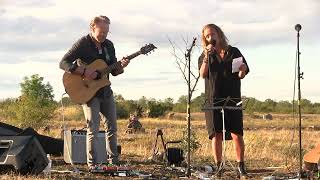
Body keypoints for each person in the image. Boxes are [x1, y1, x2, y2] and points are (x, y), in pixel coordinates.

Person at [59, 15, 130, 171]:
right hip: (88, 92)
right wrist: (84, 71)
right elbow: (63, 63)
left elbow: (114, 70)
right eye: (101, 31)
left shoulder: (109, 45)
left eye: (107, 31)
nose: (104, 34)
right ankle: (93, 164)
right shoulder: (83, 43)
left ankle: (113, 162)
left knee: (112, 128)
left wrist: (122, 66)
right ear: (92, 28)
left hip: (105, 90)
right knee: (94, 129)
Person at [198, 24, 249, 177]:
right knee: (216, 134)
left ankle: (241, 167)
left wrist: (242, 69)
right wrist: (207, 57)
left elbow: (242, 74)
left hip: (232, 97)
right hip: (213, 99)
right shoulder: (205, 55)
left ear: (219, 34)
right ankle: (219, 167)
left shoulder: (233, 51)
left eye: (212, 34)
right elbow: (202, 74)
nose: (210, 38)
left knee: (236, 133)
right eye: (207, 36)